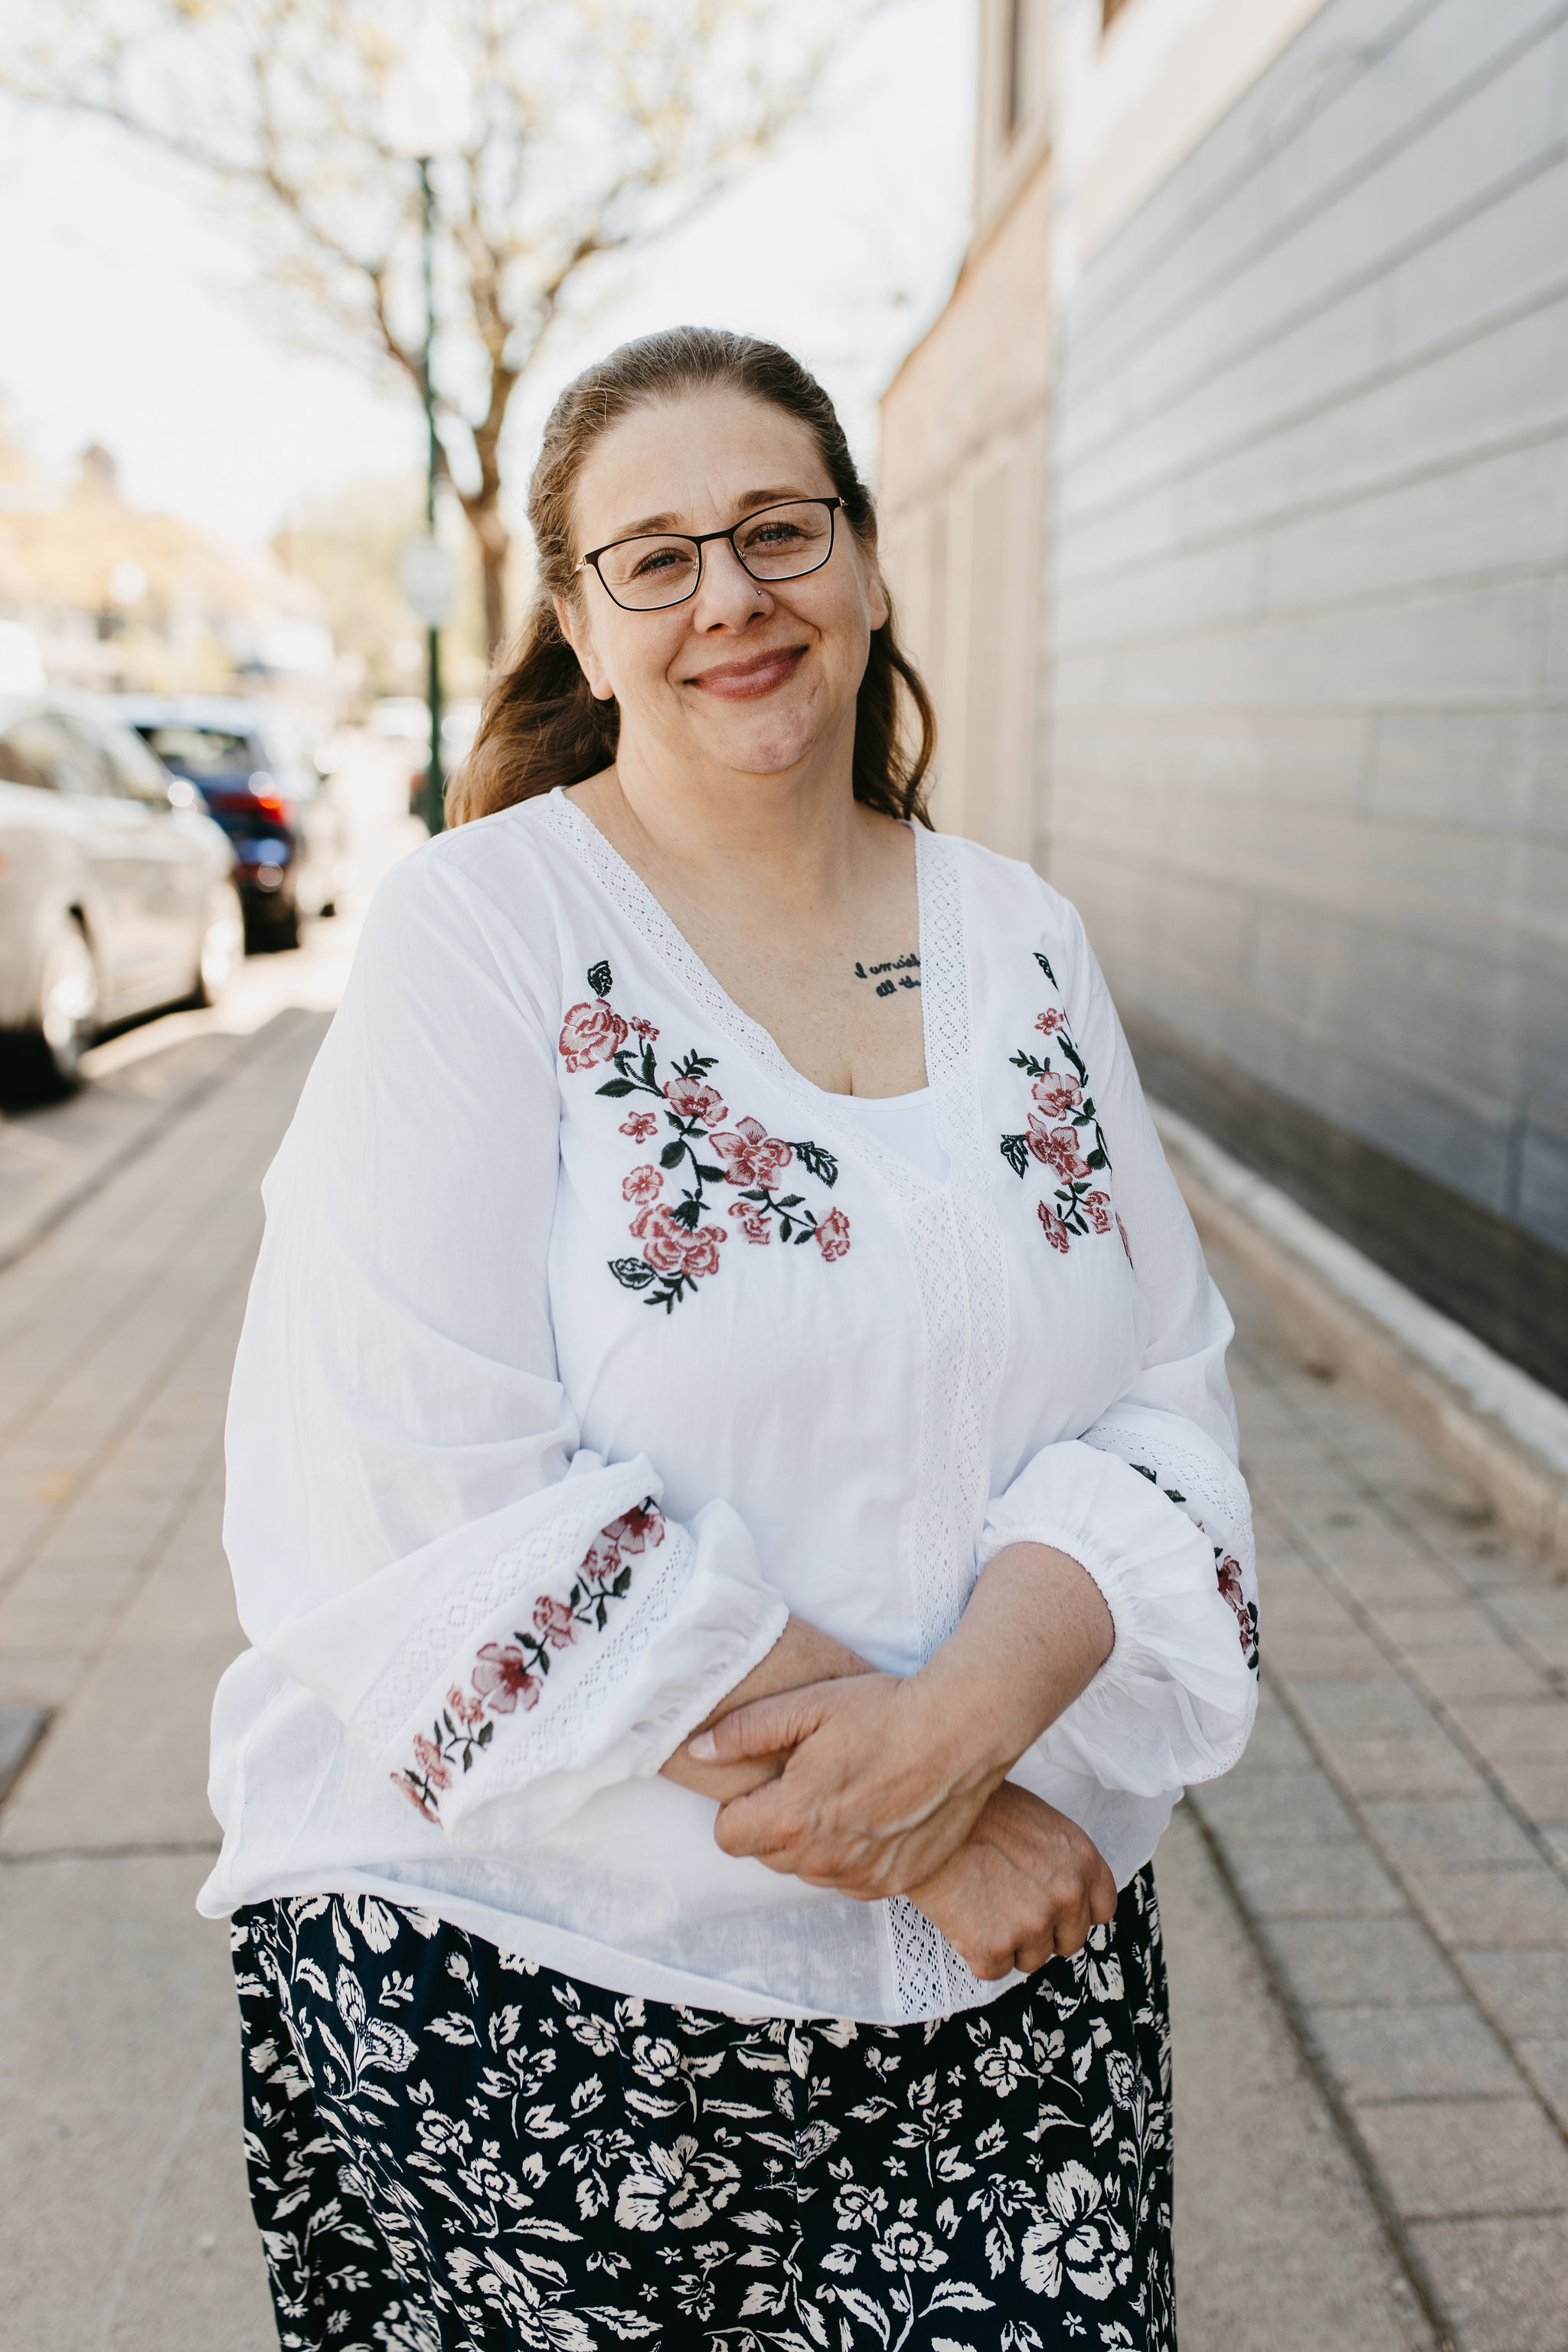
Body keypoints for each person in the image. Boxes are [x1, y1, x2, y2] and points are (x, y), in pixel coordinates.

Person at [201, 326, 1259, 2352]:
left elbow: (1160, 1389)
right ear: (582, 631)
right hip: (554, 1984)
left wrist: (955, 1751)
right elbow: (413, 1469)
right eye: (655, 558)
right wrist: (938, 1811)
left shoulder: (1022, 931)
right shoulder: (477, 933)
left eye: (776, 531)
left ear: (864, 562)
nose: (731, 600)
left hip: (1009, 1969)